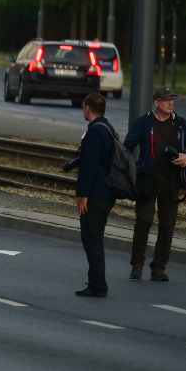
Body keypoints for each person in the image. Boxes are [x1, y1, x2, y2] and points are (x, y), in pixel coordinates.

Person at [124, 86, 186, 282]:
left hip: (171, 182)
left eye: (172, 100)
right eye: (166, 100)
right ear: (157, 102)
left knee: (167, 226)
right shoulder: (144, 122)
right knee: (144, 221)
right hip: (148, 181)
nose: (171, 103)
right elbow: (127, 146)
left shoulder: (180, 124)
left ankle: (158, 267)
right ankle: (137, 264)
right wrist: (135, 169)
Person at [67, 92, 118, 297]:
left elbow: (89, 166)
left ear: (87, 108)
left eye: (83, 107)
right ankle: (97, 282)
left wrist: (82, 194)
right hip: (106, 192)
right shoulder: (108, 128)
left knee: (92, 238)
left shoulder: (95, 132)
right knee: (94, 237)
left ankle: (97, 284)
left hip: (96, 194)